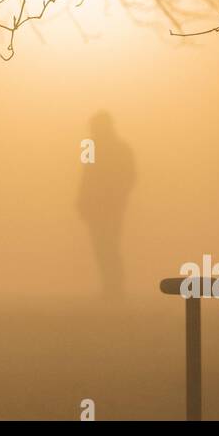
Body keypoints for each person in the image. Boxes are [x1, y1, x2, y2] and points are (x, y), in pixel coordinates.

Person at [77, 111, 136, 299]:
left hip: (110, 205)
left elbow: (129, 176)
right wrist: (82, 199)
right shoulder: (91, 146)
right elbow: (86, 175)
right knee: (101, 245)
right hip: (98, 205)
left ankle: (114, 287)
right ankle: (110, 287)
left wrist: (118, 196)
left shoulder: (119, 148)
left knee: (108, 244)